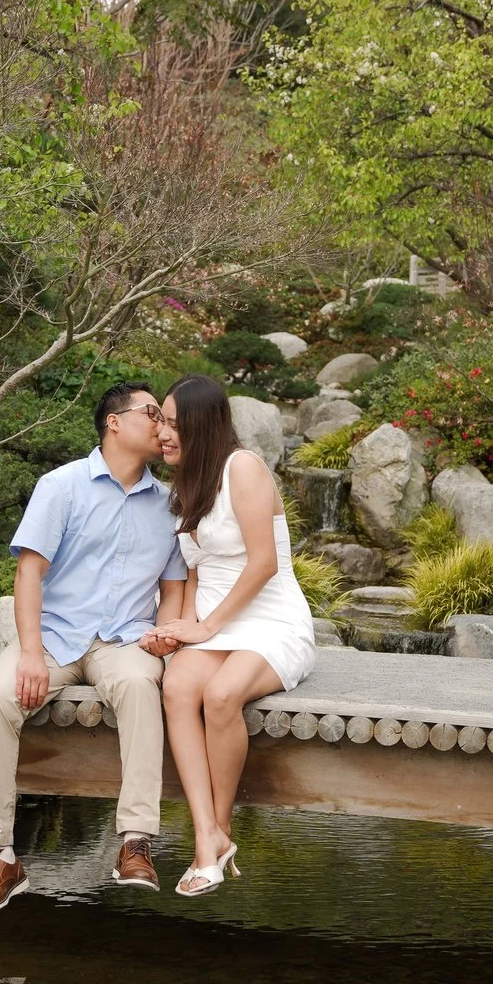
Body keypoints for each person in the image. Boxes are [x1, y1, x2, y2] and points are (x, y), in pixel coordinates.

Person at [0, 383, 189, 917]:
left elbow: (175, 586)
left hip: (126, 638)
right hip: (57, 635)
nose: (161, 425)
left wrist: (164, 636)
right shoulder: (61, 486)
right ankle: (0, 856)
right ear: (115, 422)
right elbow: (29, 573)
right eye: (151, 413)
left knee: (138, 685)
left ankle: (135, 843)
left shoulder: (170, 503)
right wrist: (32, 653)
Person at [142, 375, 316, 896]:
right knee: (176, 688)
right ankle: (206, 833)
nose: (163, 434)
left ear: (201, 425)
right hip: (213, 624)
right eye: (161, 423)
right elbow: (195, 575)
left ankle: (218, 836)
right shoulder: (186, 485)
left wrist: (206, 627)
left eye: (172, 424)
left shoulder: (244, 468)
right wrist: (179, 632)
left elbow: (263, 564)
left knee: (220, 697)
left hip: (271, 620)